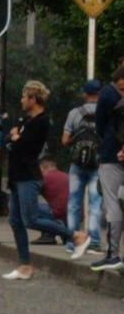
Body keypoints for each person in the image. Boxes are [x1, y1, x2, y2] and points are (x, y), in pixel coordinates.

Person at [3, 81, 89, 280]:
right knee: (15, 221)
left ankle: (76, 236)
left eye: (25, 97)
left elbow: (28, 148)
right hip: (16, 176)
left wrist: (16, 139)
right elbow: (10, 140)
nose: (22, 100)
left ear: (33, 99)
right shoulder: (24, 120)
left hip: (28, 177)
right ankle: (25, 265)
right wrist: (14, 139)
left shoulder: (42, 122)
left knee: (30, 219)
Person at [60, 79, 103, 254]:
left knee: (74, 203)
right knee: (95, 203)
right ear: (100, 94)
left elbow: (64, 141)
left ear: (85, 94)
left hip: (77, 164)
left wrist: (77, 139)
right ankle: (93, 242)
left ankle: (73, 240)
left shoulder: (74, 113)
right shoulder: (106, 113)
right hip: (98, 164)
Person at [90, 66, 124, 272]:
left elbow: (100, 125)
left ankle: (113, 254)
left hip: (112, 154)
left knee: (111, 203)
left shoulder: (108, 95)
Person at [30, 158, 69, 245]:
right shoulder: (66, 175)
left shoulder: (45, 178)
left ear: (43, 168)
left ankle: (48, 234)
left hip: (59, 212)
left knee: (29, 207)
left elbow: (30, 196)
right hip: (72, 214)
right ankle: (65, 233)